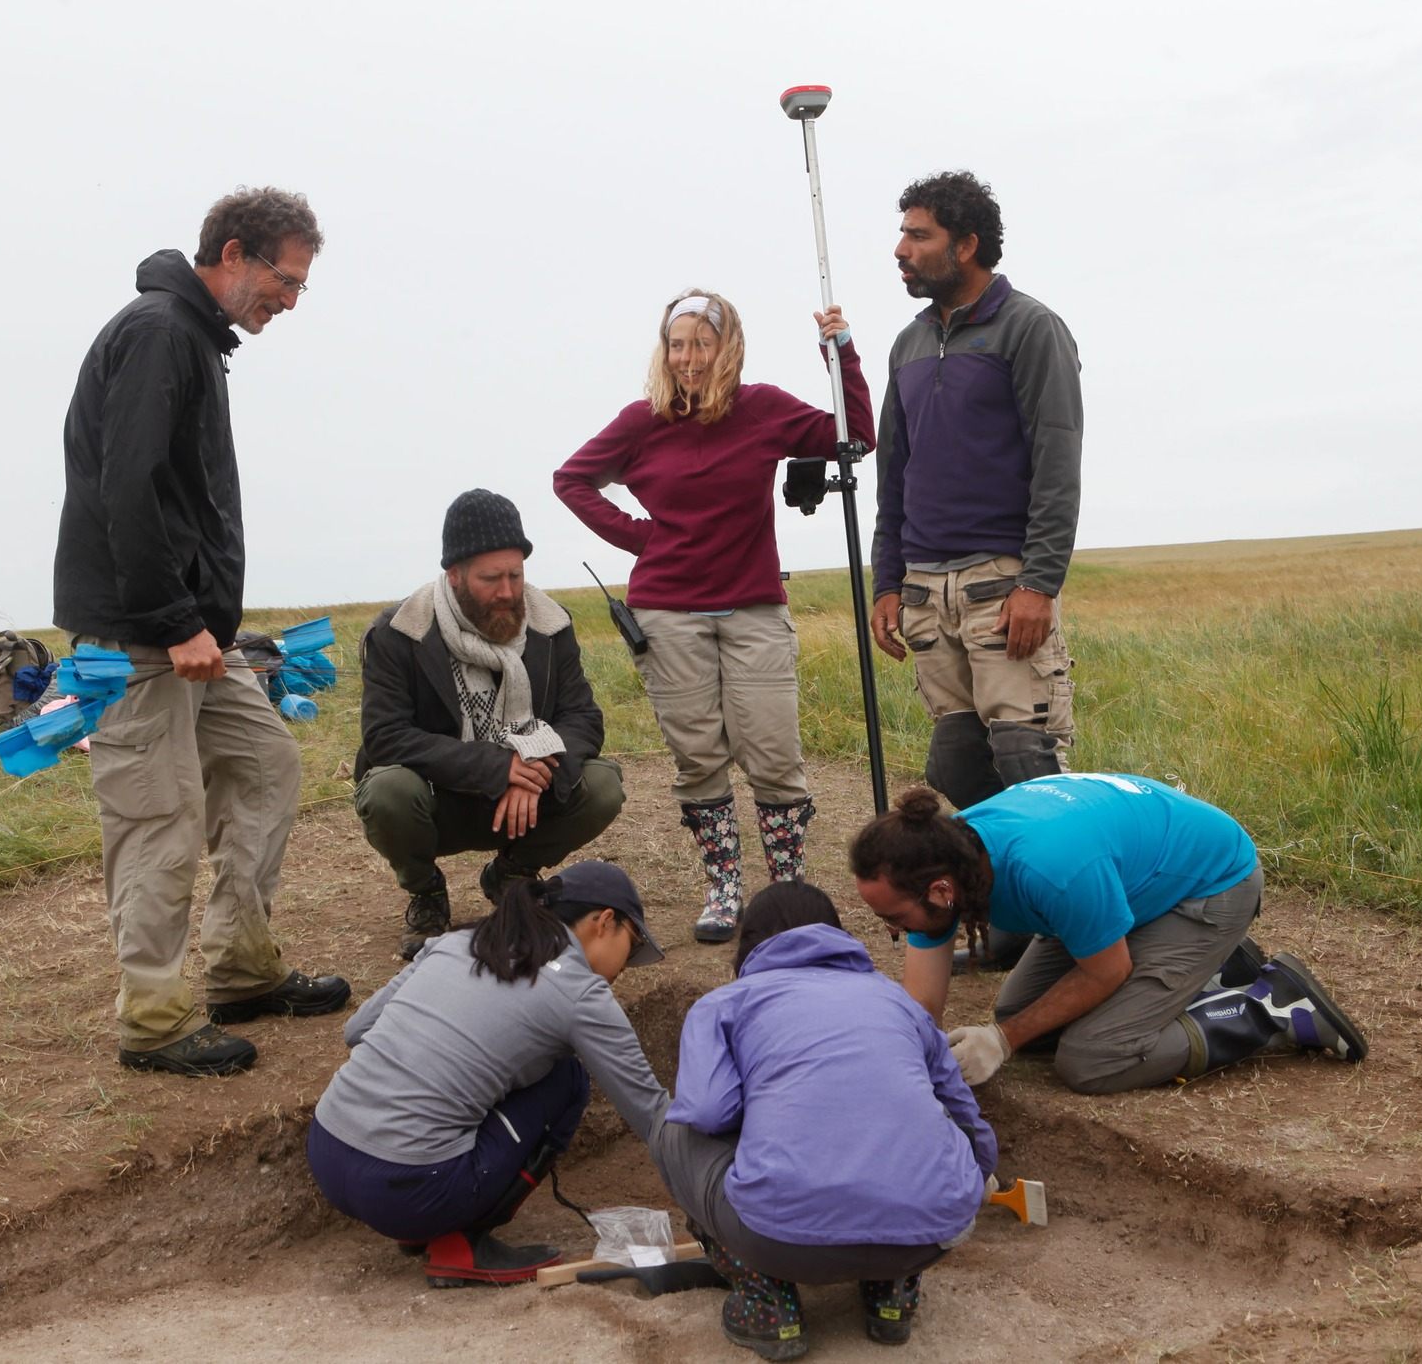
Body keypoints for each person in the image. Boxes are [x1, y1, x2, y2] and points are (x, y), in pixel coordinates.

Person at [54, 185, 349, 1077]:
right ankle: (152, 1015)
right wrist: (178, 620)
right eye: (284, 280)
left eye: (300, 286)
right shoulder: (158, 334)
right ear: (232, 253)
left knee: (267, 764)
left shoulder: (192, 340)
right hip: (143, 638)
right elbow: (128, 488)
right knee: (161, 815)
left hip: (188, 638)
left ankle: (239, 966)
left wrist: (204, 622)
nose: (290, 301)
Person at [554, 290, 873, 944]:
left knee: (774, 755)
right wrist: (644, 538)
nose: (688, 358)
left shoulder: (763, 409)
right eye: (677, 344)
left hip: (753, 607)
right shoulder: (642, 420)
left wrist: (840, 352)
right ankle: (724, 891)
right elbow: (572, 478)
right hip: (667, 614)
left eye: (702, 343)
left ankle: (787, 892)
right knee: (698, 758)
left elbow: (856, 436)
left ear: (727, 348)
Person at [848, 776, 1368, 1095]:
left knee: (1093, 1059)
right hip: (1126, 887)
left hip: (1211, 885)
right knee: (1023, 1017)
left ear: (941, 892)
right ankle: (1212, 968)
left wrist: (1002, 1043)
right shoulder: (946, 854)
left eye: (894, 918)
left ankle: (1271, 1008)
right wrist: (910, 1066)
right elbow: (923, 1006)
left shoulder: (1048, 868)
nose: (892, 931)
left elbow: (1107, 970)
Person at [651, 883, 995, 1357]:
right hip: (929, 1233)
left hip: (776, 1239)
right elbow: (964, 1112)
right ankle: (891, 1290)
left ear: (750, 942)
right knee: (911, 1129)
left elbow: (710, 1112)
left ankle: (767, 1304)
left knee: (673, 1126)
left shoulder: (725, 1005)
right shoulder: (897, 1001)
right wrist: (976, 1180)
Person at [307, 861, 670, 1286]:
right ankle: (461, 1242)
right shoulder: (579, 991)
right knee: (565, 1079)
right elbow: (651, 1114)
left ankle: (423, 1227)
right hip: (411, 1190)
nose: (625, 967)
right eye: (632, 944)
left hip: (327, 1152)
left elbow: (357, 1030)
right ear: (605, 922)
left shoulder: (461, 940)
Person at [867, 171, 1084, 818]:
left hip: (1004, 582)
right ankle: (1007, 895)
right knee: (956, 763)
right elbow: (893, 475)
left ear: (964, 245)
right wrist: (886, 583)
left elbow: (1057, 462)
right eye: (902, 234)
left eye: (917, 235)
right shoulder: (907, 345)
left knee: (1028, 759)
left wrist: (1040, 584)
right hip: (926, 588)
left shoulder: (1030, 328)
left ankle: (1069, 905)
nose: (901, 250)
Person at [355, 490, 624, 959]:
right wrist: (496, 767)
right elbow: (385, 736)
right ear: (454, 574)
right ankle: (426, 893)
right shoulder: (400, 631)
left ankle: (513, 874)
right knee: (386, 792)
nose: (506, 592)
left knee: (602, 784)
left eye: (515, 575)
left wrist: (534, 766)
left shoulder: (550, 625)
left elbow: (582, 718)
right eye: (490, 578)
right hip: (440, 800)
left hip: (527, 802)